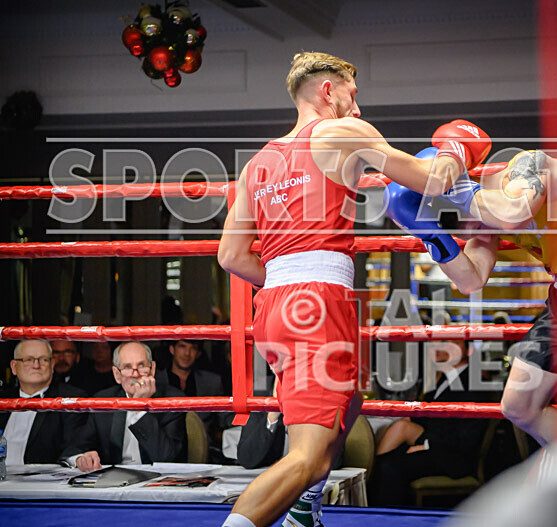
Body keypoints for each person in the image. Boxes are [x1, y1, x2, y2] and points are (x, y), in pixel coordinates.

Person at [216, 51, 487, 527]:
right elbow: (431, 182)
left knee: (350, 402)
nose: (357, 108)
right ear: (328, 90)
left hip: (278, 305)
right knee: (304, 456)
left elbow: (232, 257)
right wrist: (455, 146)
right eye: (351, 94)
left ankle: (304, 511)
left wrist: (290, 279)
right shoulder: (343, 132)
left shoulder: (256, 163)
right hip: (316, 306)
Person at [385, 141, 557, 446]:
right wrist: (432, 236)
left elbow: (514, 211)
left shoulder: (527, 165)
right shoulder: (485, 223)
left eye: (450, 221)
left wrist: (449, 186)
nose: (466, 234)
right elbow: (471, 280)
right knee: (518, 404)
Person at [369, 339, 493, 507]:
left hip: (454, 456)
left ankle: (384, 516)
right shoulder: (443, 379)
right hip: (438, 446)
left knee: (389, 466)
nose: (442, 348)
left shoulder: (474, 382)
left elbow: (468, 434)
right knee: (387, 458)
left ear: (467, 350)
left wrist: (427, 444)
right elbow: (429, 416)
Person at [69, 341, 187, 471]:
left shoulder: (173, 401)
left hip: (157, 482)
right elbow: (74, 448)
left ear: (152, 369)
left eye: (141, 366)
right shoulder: (103, 401)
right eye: (127, 367)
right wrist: (81, 459)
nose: (135, 374)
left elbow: (166, 458)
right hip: (113, 482)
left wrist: (140, 408)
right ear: (117, 375)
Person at [0, 339, 88, 464]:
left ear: (52, 365)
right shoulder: (3, 399)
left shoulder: (70, 399)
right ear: (14, 367)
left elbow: (72, 448)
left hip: (41, 481)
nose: (36, 365)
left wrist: (78, 459)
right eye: (28, 360)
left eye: (43, 360)